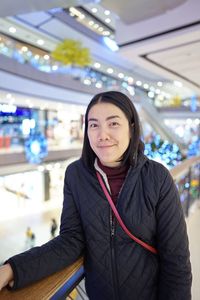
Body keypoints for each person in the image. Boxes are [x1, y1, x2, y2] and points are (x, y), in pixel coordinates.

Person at [0, 91, 192, 299]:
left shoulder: (157, 177)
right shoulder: (76, 175)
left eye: (113, 124)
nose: (102, 135)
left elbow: (176, 261)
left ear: (131, 128)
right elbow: (70, 240)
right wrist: (12, 268)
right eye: (94, 125)